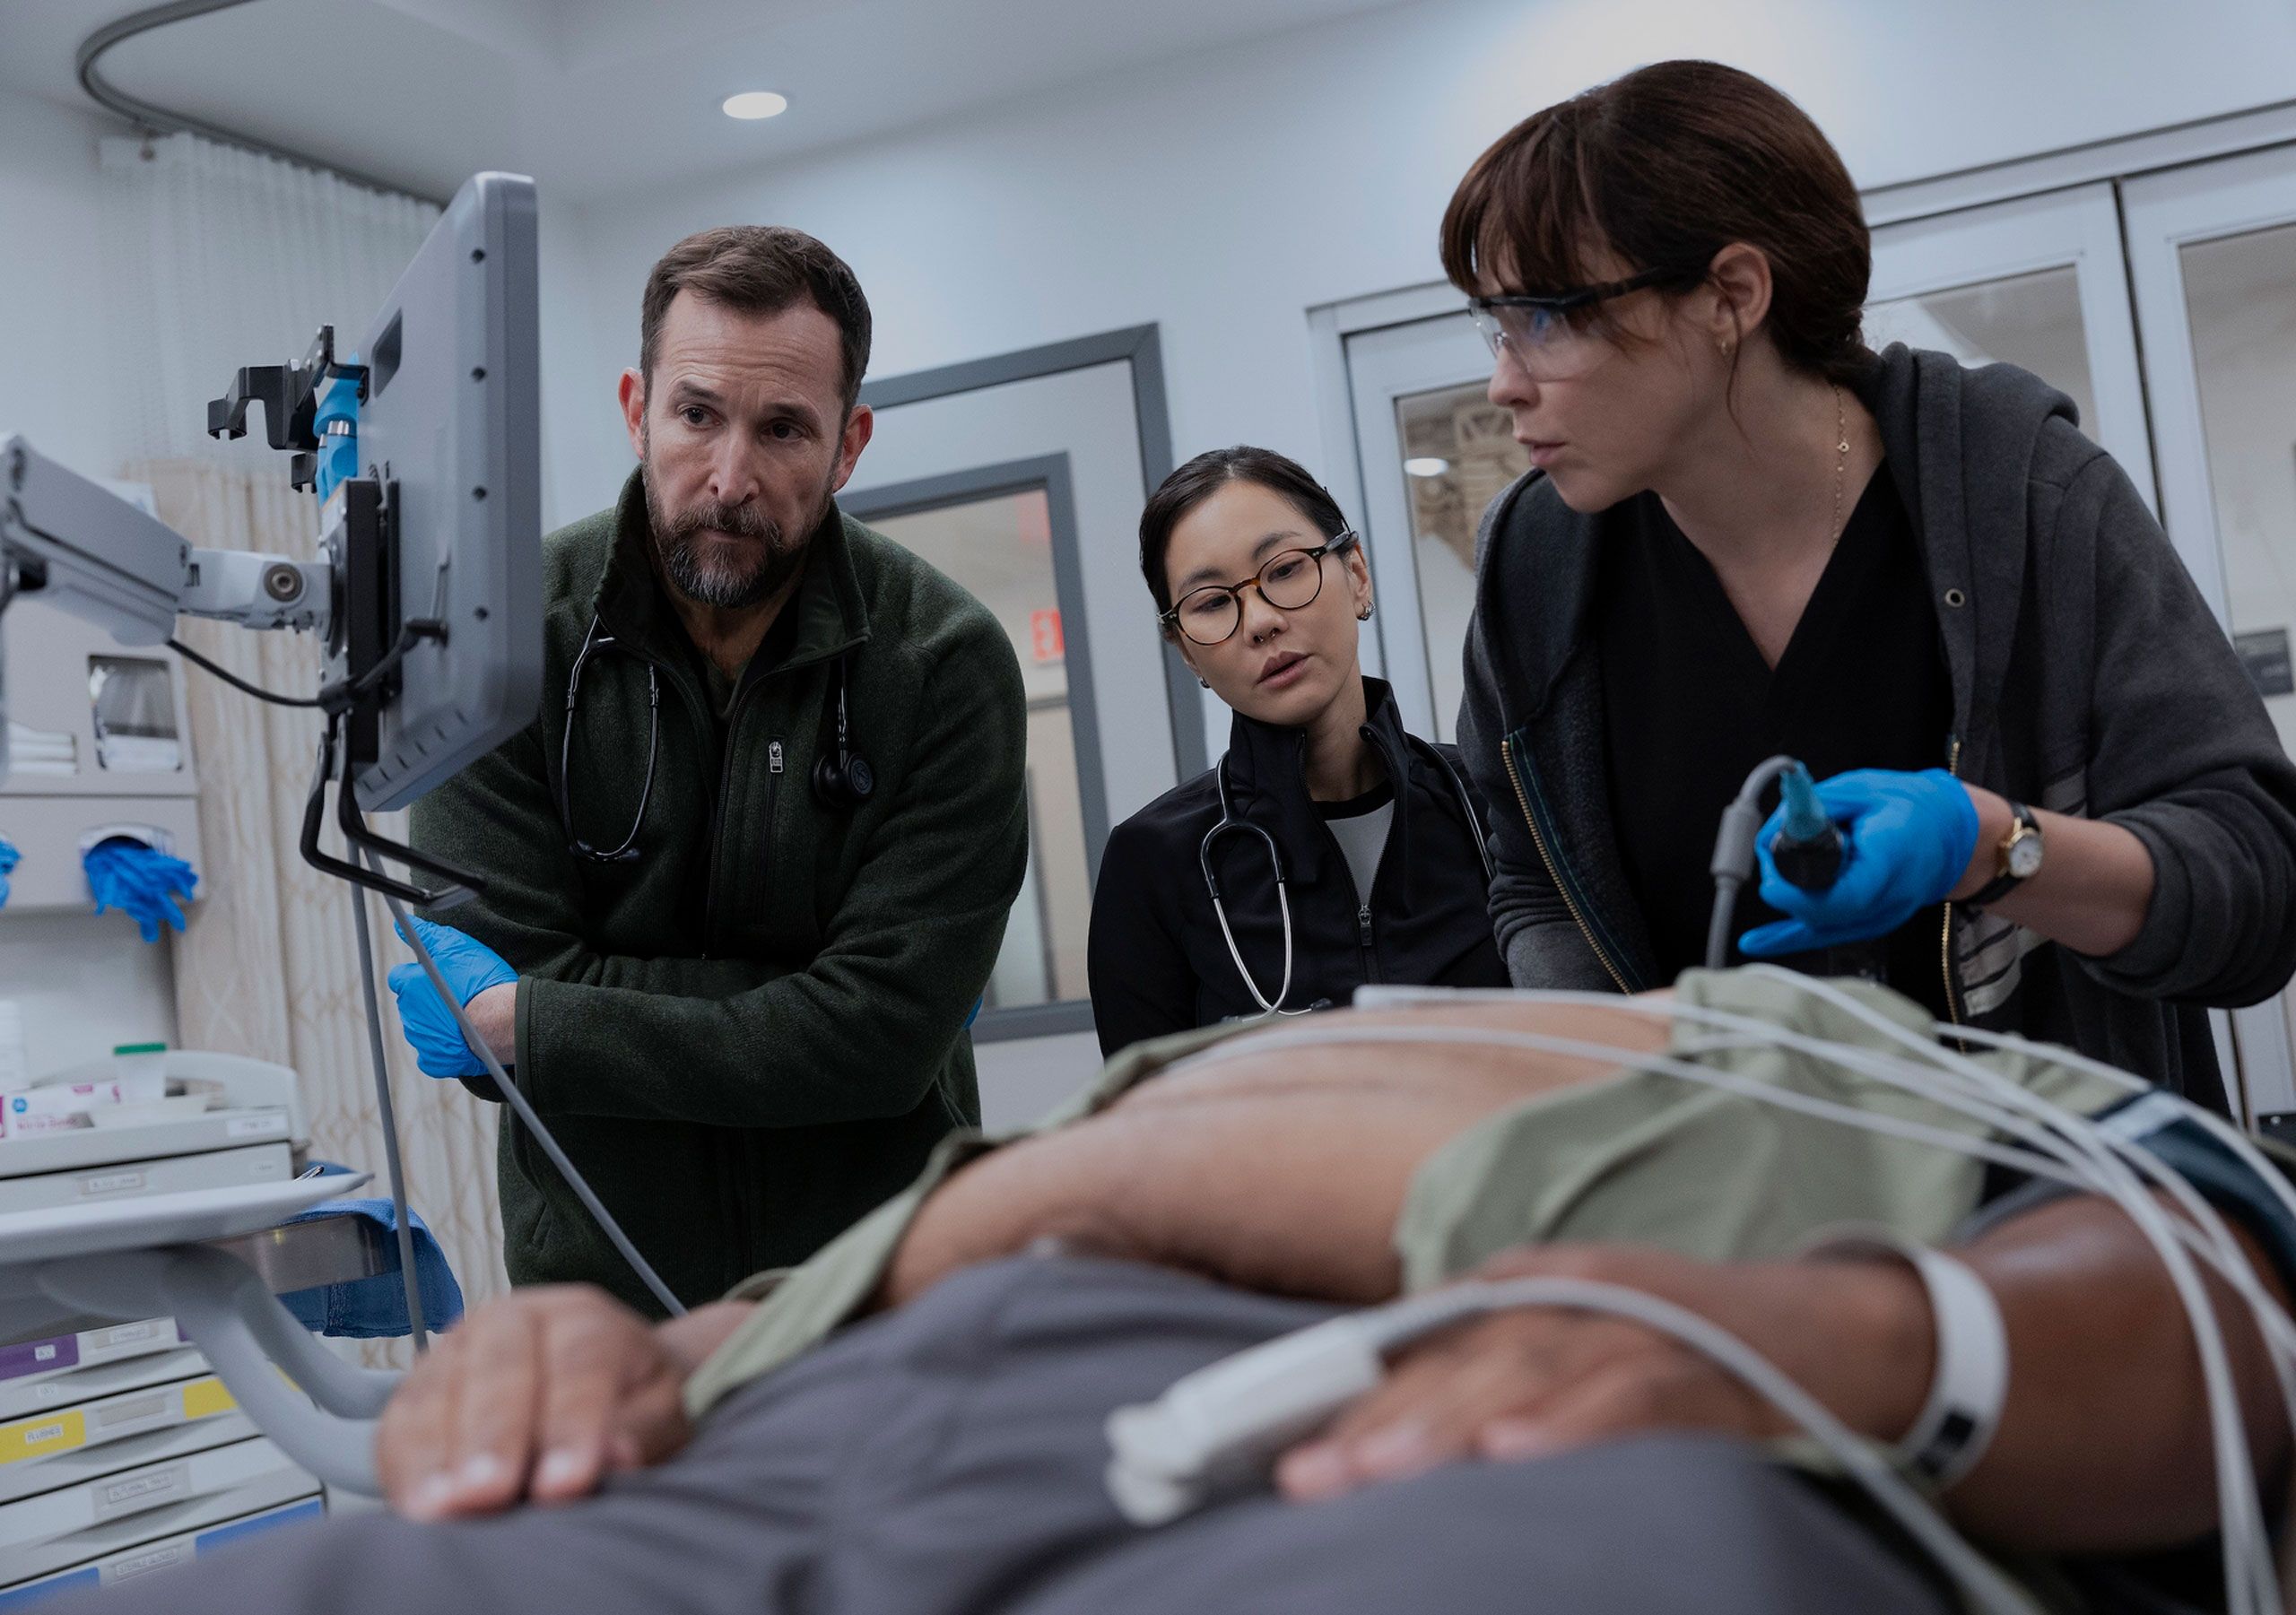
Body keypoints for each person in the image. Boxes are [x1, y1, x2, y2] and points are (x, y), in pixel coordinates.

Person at [65, 972, 2296, 1615]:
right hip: (762, 1451)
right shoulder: (1103, 1105)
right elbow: (705, 1325)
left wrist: (1817, 1340)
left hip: (1378, 1445)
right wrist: (587, 1337)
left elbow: (2223, 1297)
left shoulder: (1793, 1043)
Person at [1447, 61, 2296, 1109]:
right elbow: (1534, 882)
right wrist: (1630, 1065)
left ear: (1731, 296)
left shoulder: (2023, 495)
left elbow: (2255, 886)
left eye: (1548, 316)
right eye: (1494, 322)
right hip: (1739, 1227)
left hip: (2053, 1217)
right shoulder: (1536, 564)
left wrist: (1992, 848)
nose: (1502, 381)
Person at [388, 226, 1029, 1313]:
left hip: (886, 1294)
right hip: (600, 1302)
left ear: (849, 443)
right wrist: (806, 1010)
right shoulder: (501, 644)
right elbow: (500, 981)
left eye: (783, 428)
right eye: (697, 415)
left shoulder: (942, 662)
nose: (730, 477)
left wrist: (546, 1023)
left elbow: (878, 1041)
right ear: (639, 409)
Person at [1086, 447, 1506, 1056]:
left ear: (1356, 574)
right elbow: (1151, 1130)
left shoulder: (1495, 801)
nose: (1259, 620)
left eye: (1284, 570)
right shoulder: (1152, 862)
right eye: (1211, 603)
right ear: (1186, 652)